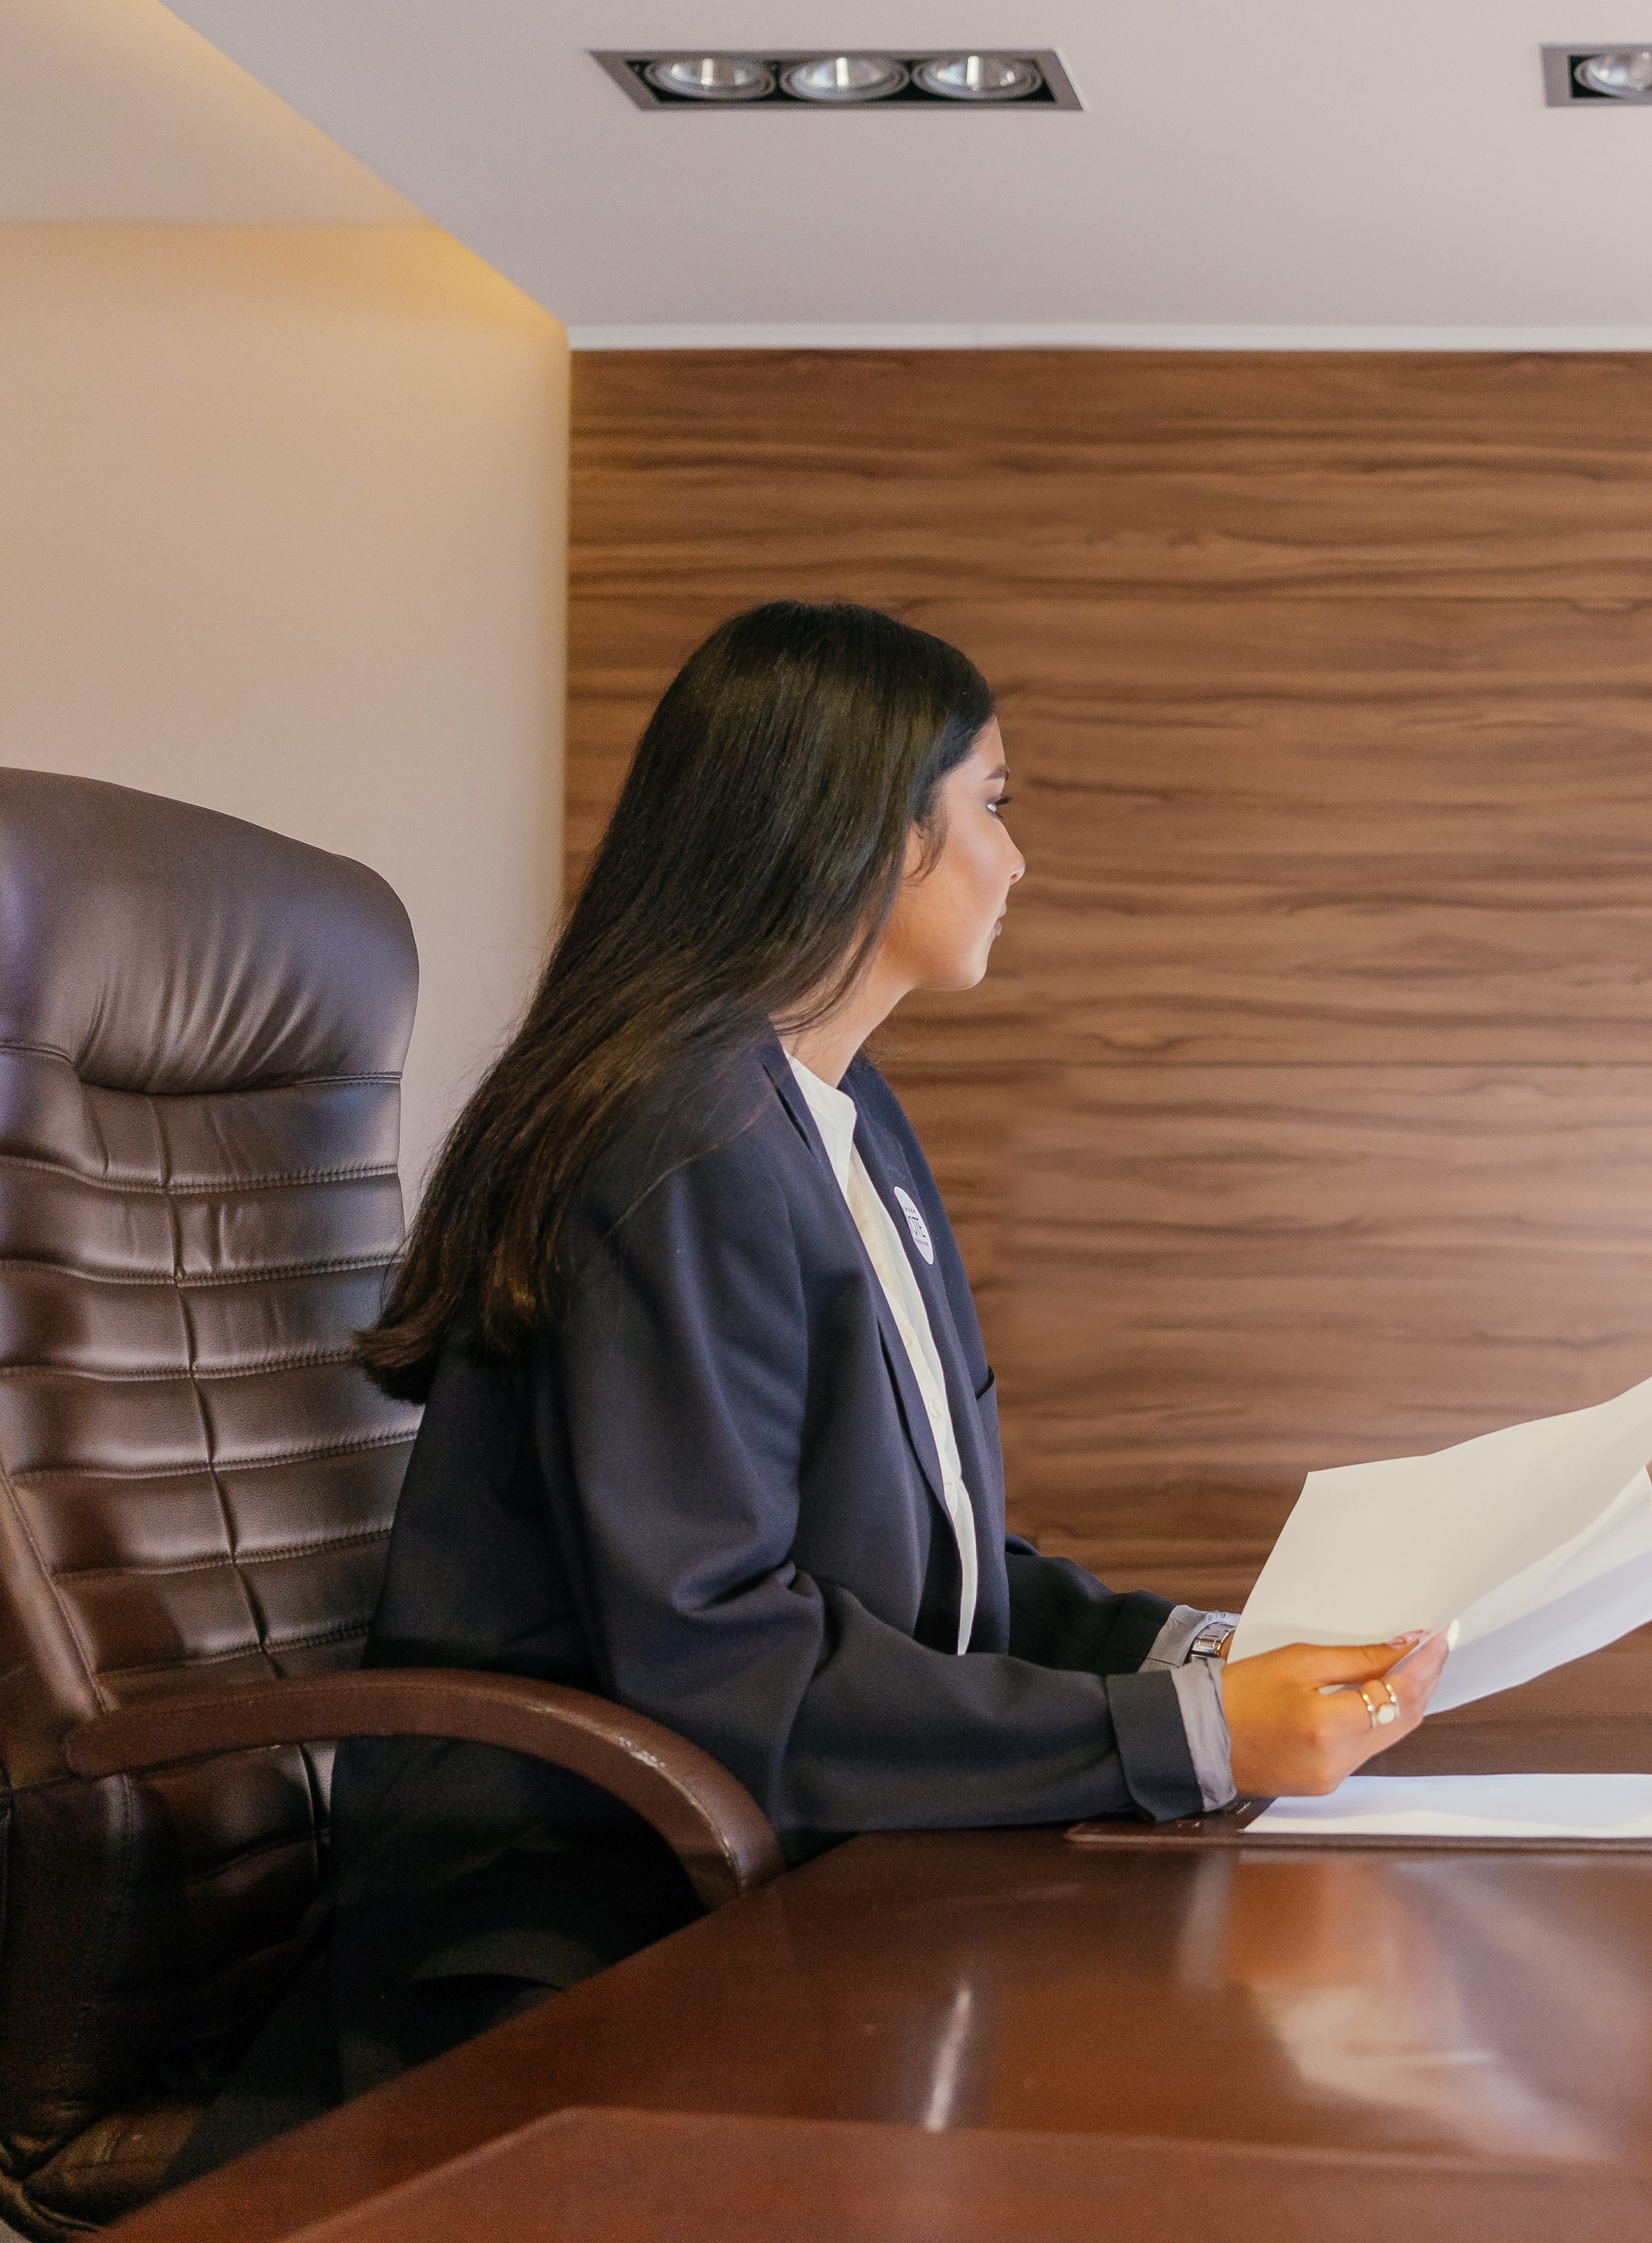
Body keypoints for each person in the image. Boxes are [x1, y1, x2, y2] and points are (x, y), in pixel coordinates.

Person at [175, 600, 1446, 2174]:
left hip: (763, 1851)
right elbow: (726, 1659)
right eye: (993, 802)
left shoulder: (841, 1121)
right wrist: (1184, 1733)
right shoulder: (683, 1146)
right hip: (579, 1918)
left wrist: (1213, 1657)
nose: (1016, 858)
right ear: (872, 831)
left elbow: (935, 1573)